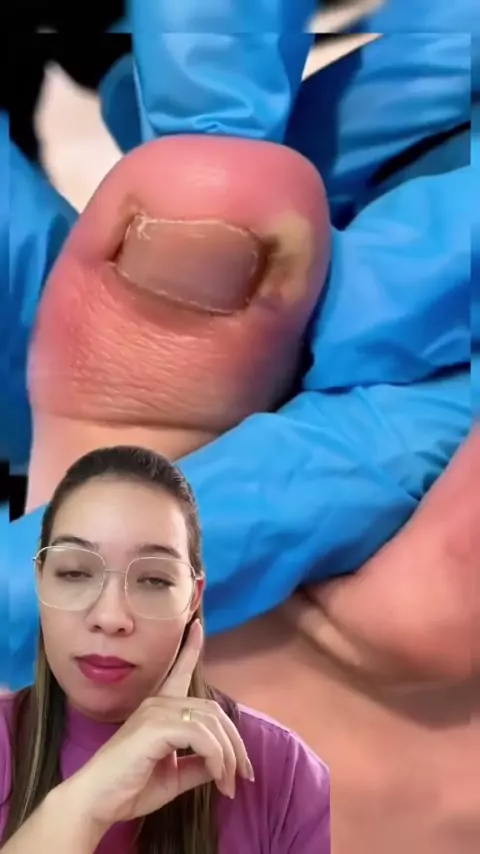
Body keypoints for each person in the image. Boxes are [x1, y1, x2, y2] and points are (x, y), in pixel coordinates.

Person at [0, 445, 330, 854]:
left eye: (154, 580)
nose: (110, 617)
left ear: (193, 598)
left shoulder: (285, 774)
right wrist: (83, 806)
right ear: (40, 579)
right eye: (75, 573)